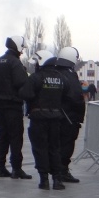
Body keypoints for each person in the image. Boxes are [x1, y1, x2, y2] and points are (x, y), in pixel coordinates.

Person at [20, 50, 68, 190]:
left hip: (39, 118)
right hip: (56, 119)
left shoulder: (36, 77)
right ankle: (57, 179)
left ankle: (44, 180)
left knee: (40, 149)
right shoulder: (62, 78)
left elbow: (25, 93)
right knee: (55, 149)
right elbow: (68, 94)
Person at [0, 35, 31, 179]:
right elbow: (21, 83)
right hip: (13, 105)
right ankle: (16, 168)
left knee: (2, 135)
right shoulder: (15, 63)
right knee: (15, 137)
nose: (22, 51)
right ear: (17, 46)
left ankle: (0, 167)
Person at [54, 46, 86, 183]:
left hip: (55, 115)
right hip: (69, 117)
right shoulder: (69, 75)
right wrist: (79, 116)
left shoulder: (53, 72)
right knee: (66, 145)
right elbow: (76, 96)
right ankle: (62, 171)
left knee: (55, 145)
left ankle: (56, 170)